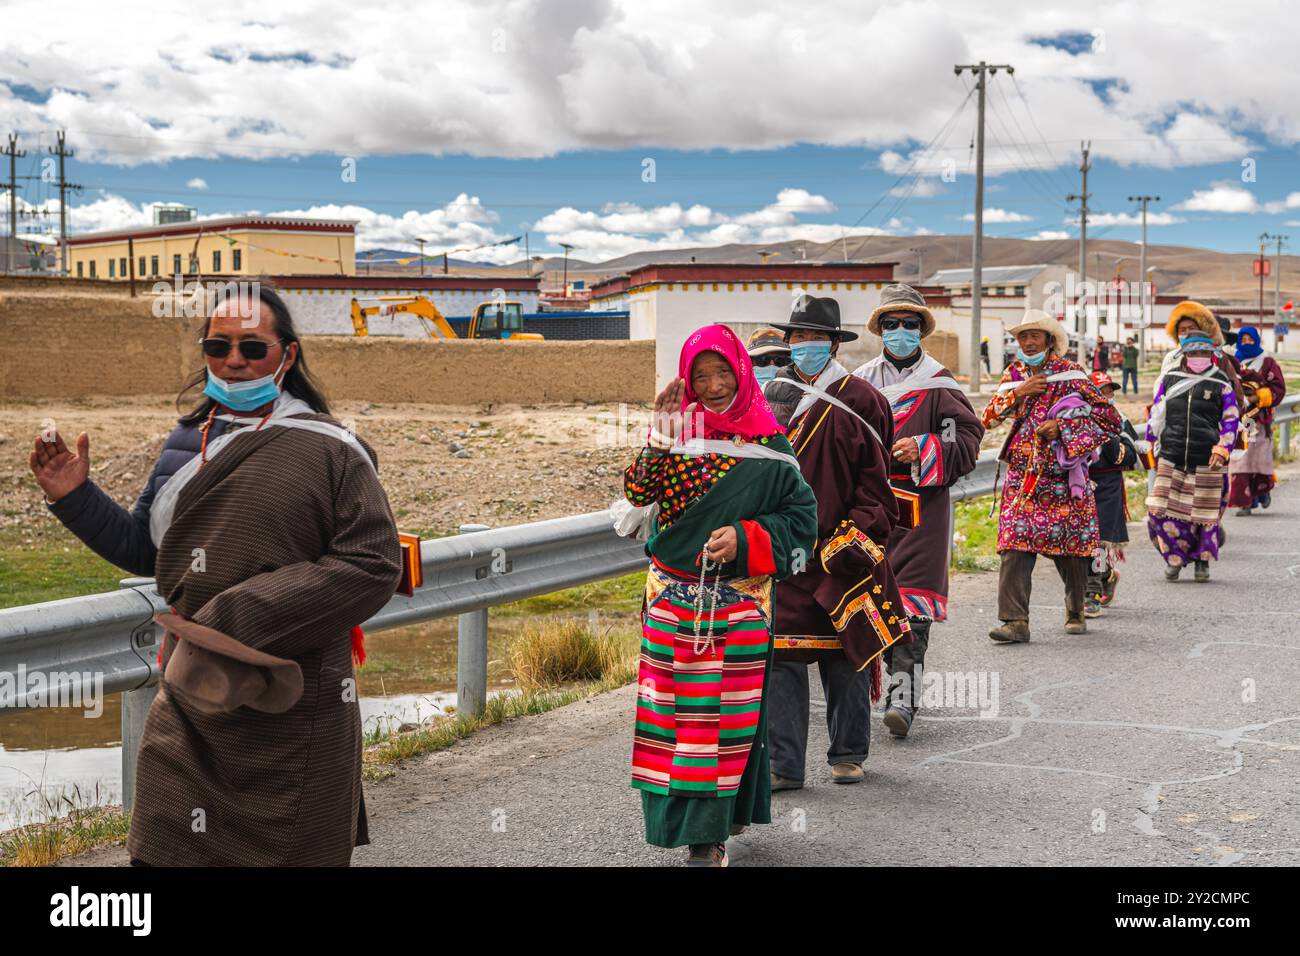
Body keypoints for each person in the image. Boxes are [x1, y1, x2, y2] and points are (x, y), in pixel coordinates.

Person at [29, 284, 402, 865]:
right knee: (163, 845)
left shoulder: (334, 448)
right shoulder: (186, 443)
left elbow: (372, 563)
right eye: (218, 345)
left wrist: (240, 615)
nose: (234, 360)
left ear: (288, 356)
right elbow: (150, 553)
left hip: (294, 693)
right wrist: (77, 498)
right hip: (194, 688)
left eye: (253, 348)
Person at [623, 324, 817, 868]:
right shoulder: (677, 432)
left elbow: (803, 520)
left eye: (722, 372)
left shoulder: (770, 444)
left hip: (739, 604)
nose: (711, 386)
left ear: (742, 371)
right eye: (700, 375)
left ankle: (709, 838)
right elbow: (638, 495)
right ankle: (692, 828)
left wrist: (746, 538)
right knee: (674, 722)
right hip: (669, 602)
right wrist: (659, 435)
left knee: (723, 723)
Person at [761, 295, 910, 788]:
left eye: (816, 338)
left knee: (844, 653)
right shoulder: (770, 400)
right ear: (788, 342)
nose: (807, 345)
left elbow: (878, 481)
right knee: (782, 656)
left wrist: (857, 534)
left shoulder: (863, 399)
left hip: (841, 547)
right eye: (799, 337)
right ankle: (784, 765)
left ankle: (848, 754)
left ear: (833, 343)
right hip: (786, 551)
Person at [853, 283, 984, 738]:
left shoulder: (940, 384)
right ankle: (880, 687)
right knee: (872, 603)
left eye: (910, 325)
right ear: (881, 330)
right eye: (892, 324)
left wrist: (926, 446)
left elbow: (968, 441)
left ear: (921, 331)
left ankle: (902, 699)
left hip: (921, 513)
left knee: (912, 608)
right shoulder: (859, 383)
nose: (901, 332)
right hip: (870, 512)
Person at [982, 311, 1121, 641]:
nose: (1028, 342)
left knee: (1071, 547)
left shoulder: (1072, 374)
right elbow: (988, 419)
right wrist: (1018, 393)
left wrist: (1064, 427)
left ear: (1049, 340)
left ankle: (1075, 609)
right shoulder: (1014, 375)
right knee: (1014, 543)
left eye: (1035, 336)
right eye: (1022, 337)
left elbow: (1109, 420)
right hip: (1023, 478)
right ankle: (1015, 621)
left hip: (1064, 478)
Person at [1145, 301, 1240, 582]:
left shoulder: (1221, 382)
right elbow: (1157, 415)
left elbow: (1231, 419)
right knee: (1160, 511)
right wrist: (1150, 444)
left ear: (1211, 353)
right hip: (1172, 455)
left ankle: (1201, 562)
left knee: (1204, 515)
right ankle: (1174, 558)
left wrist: (1223, 447)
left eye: (1203, 351)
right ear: (1184, 352)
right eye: (1193, 351)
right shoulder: (1170, 379)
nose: (1198, 355)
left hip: (1208, 459)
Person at [1083, 371, 1143, 617]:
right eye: (1101, 391)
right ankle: (1106, 575)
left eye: (1109, 391)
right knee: (1081, 543)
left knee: (1098, 543)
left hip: (1108, 485)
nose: (1106, 395)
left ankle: (1092, 595)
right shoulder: (1075, 417)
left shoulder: (1120, 420)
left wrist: (1109, 440)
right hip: (1078, 485)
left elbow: (1131, 456)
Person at [1228, 325, 1287, 515]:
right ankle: (1244, 502)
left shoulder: (1267, 361)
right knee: (1240, 460)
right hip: (1238, 420)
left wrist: (1255, 398)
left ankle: (1262, 493)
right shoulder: (1232, 361)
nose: (1247, 342)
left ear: (1256, 339)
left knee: (1259, 459)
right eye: (1243, 339)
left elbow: (1278, 387)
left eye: (1250, 339)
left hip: (1261, 420)